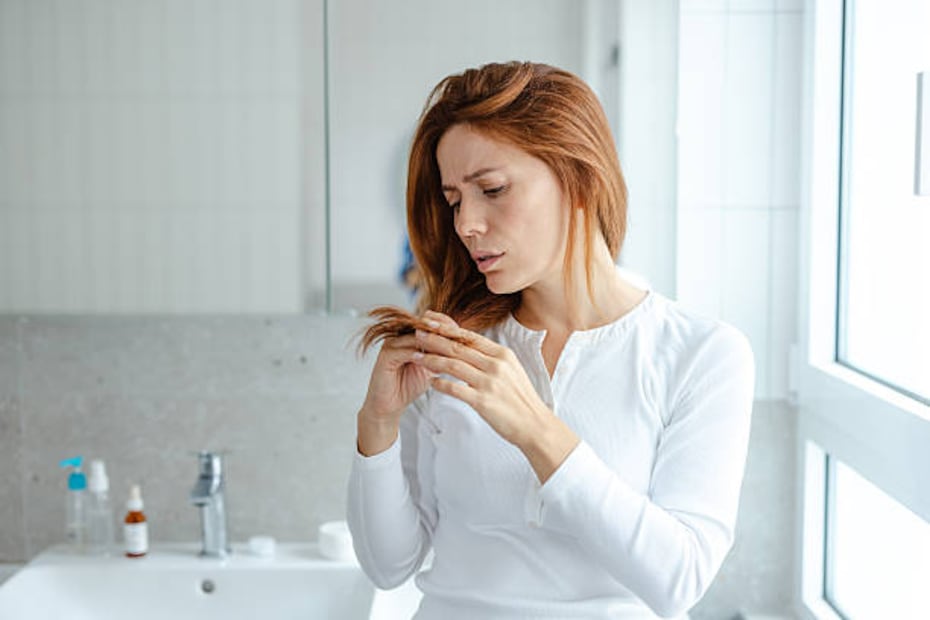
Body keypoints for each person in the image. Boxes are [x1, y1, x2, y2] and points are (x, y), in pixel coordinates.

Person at [347, 61, 755, 620]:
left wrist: (535, 429)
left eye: (491, 189)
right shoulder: (454, 348)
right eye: (455, 200)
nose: (467, 223)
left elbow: (679, 578)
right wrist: (378, 424)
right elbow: (388, 566)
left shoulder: (702, 354)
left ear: (577, 178)